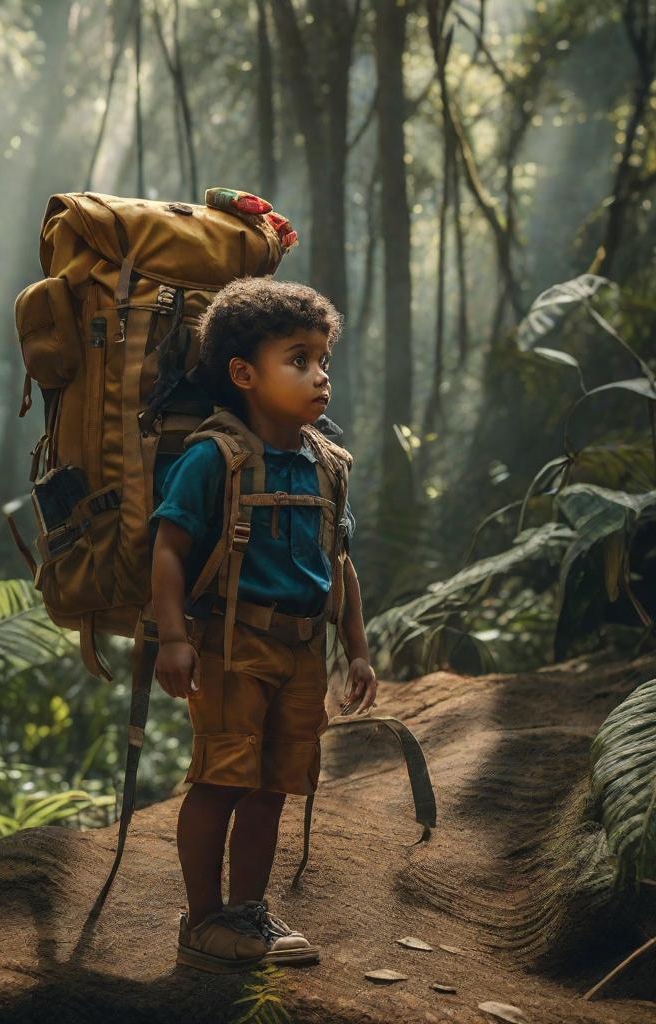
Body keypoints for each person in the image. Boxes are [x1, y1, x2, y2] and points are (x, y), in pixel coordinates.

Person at [149, 276, 377, 974]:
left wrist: (358, 653)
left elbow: (339, 564)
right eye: (298, 360)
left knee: (274, 785)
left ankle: (247, 912)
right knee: (221, 777)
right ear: (244, 374)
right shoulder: (213, 458)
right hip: (230, 646)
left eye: (323, 360)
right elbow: (169, 548)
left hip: (304, 651)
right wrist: (174, 637)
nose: (319, 377)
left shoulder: (328, 465)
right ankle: (201, 917)